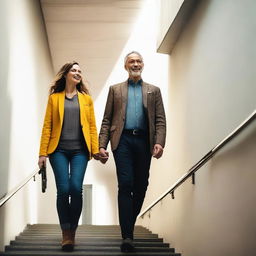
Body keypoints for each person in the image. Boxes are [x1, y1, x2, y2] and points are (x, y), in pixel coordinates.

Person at [98, 51, 166, 252]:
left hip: (144, 141)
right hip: (123, 140)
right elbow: (107, 120)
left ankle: (128, 222)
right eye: (131, 61)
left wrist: (160, 142)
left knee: (141, 184)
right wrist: (101, 145)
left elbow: (160, 119)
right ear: (125, 66)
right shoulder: (115, 90)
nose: (135, 64)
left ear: (142, 64)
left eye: (138, 61)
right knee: (125, 183)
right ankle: (127, 235)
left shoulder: (154, 90)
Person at [38, 61, 99, 251]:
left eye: (80, 70)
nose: (77, 73)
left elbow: (91, 126)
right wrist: (42, 153)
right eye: (74, 70)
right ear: (65, 74)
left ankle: (72, 229)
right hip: (58, 151)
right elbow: (47, 126)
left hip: (80, 150)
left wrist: (95, 150)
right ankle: (66, 232)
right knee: (63, 190)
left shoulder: (86, 99)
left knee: (76, 188)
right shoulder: (54, 98)